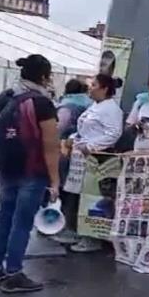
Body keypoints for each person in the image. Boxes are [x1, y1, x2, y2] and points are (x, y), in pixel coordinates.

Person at [0, 55, 60, 293]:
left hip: (7, 167)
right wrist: (55, 180)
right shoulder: (41, 104)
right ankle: (14, 273)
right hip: (32, 169)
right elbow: (50, 145)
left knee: (5, 217)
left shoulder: (7, 97)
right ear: (44, 76)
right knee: (22, 222)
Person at [62, 73, 123, 253]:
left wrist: (91, 146)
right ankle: (77, 231)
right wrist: (74, 139)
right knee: (79, 197)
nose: (90, 87)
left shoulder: (111, 109)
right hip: (81, 157)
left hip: (97, 158)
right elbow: (84, 129)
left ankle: (92, 238)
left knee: (92, 198)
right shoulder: (95, 106)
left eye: (94, 85)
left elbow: (114, 133)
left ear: (104, 88)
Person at [51, 79, 93, 245]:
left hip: (66, 150)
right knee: (75, 192)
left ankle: (68, 227)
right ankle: (73, 227)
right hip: (81, 152)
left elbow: (58, 128)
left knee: (66, 190)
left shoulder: (67, 106)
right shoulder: (90, 105)